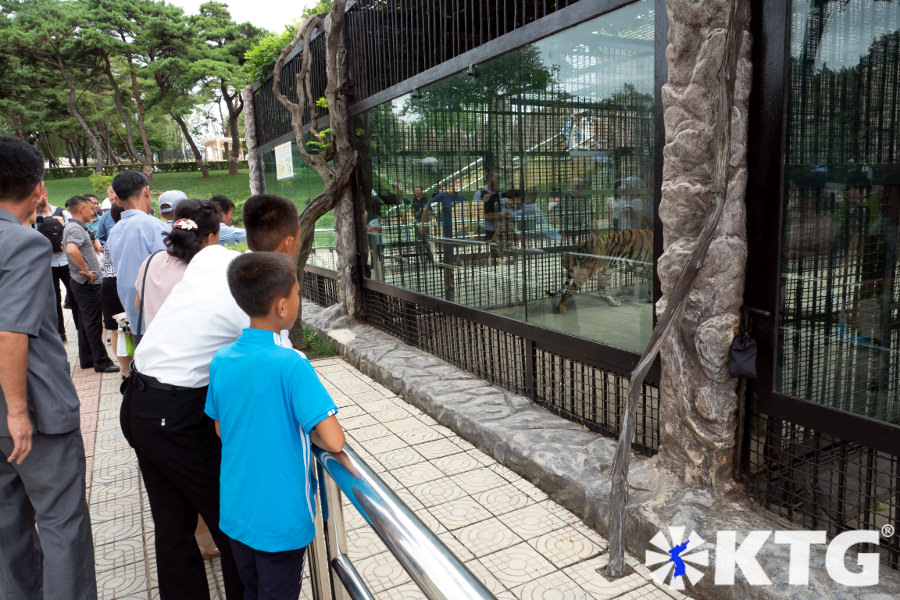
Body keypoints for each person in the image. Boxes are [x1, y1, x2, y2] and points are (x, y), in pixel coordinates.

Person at [119, 194, 302, 600]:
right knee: (233, 522)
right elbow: (282, 371)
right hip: (174, 415)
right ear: (291, 242)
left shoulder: (211, 257)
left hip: (137, 404)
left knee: (173, 528)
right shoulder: (257, 300)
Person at [207, 252, 345, 600]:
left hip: (237, 511)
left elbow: (221, 430)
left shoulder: (221, 360)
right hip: (280, 517)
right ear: (282, 307)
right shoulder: (291, 364)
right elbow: (333, 440)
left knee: (252, 591)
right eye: (298, 294)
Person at [0, 135, 97, 599]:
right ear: (39, 188)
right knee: (61, 524)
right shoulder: (22, 242)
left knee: (7, 531)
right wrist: (18, 410)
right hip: (33, 416)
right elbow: (10, 333)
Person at [135, 199, 221, 328]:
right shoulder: (207, 271)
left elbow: (139, 304)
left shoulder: (151, 261)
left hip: (152, 345)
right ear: (209, 238)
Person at [107, 170, 168, 341]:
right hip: (158, 316)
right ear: (146, 191)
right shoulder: (155, 227)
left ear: (117, 200)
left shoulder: (115, 231)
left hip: (134, 314)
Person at [63, 195, 119, 373]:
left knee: (86, 321)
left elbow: (67, 247)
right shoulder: (75, 228)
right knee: (93, 323)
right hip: (87, 283)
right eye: (89, 207)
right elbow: (71, 249)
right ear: (81, 209)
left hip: (80, 282)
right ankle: (101, 362)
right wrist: (86, 269)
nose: (93, 210)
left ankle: (87, 359)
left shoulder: (73, 226)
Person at [423, 178, 465, 300]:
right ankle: (448, 284)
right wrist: (423, 223)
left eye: (458, 182)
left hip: (459, 235)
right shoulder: (443, 196)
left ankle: (452, 282)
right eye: (454, 183)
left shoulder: (461, 197)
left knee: (457, 260)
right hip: (447, 236)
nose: (456, 185)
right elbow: (428, 206)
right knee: (448, 261)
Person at [100, 203, 130, 375]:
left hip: (109, 283)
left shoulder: (113, 232)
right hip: (121, 283)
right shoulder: (125, 232)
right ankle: (129, 366)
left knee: (116, 328)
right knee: (126, 327)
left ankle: (124, 368)